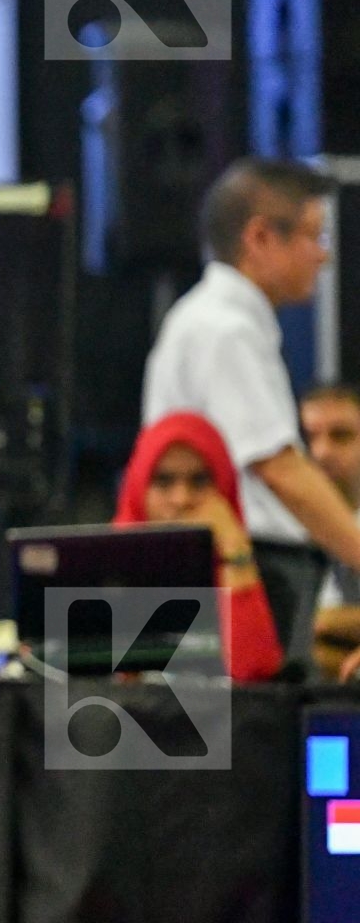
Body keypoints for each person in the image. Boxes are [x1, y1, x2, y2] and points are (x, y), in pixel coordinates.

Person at [142, 158, 360, 671]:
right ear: (261, 238)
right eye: (313, 236)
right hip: (240, 575)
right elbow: (281, 471)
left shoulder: (214, 321)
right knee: (255, 743)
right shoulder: (224, 329)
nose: (323, 257)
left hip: (239, 572)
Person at [111, 412, 283, 683]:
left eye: (200, 481)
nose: (181, 499)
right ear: (138, 489)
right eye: (163, 481)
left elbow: (253, 678)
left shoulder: (266, 576)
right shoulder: (104, 572)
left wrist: (234, 554)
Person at [297, 385, 360, 677]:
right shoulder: (277, 533)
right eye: (310, 438)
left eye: (341, 436)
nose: (322, 452)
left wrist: (325, 624)